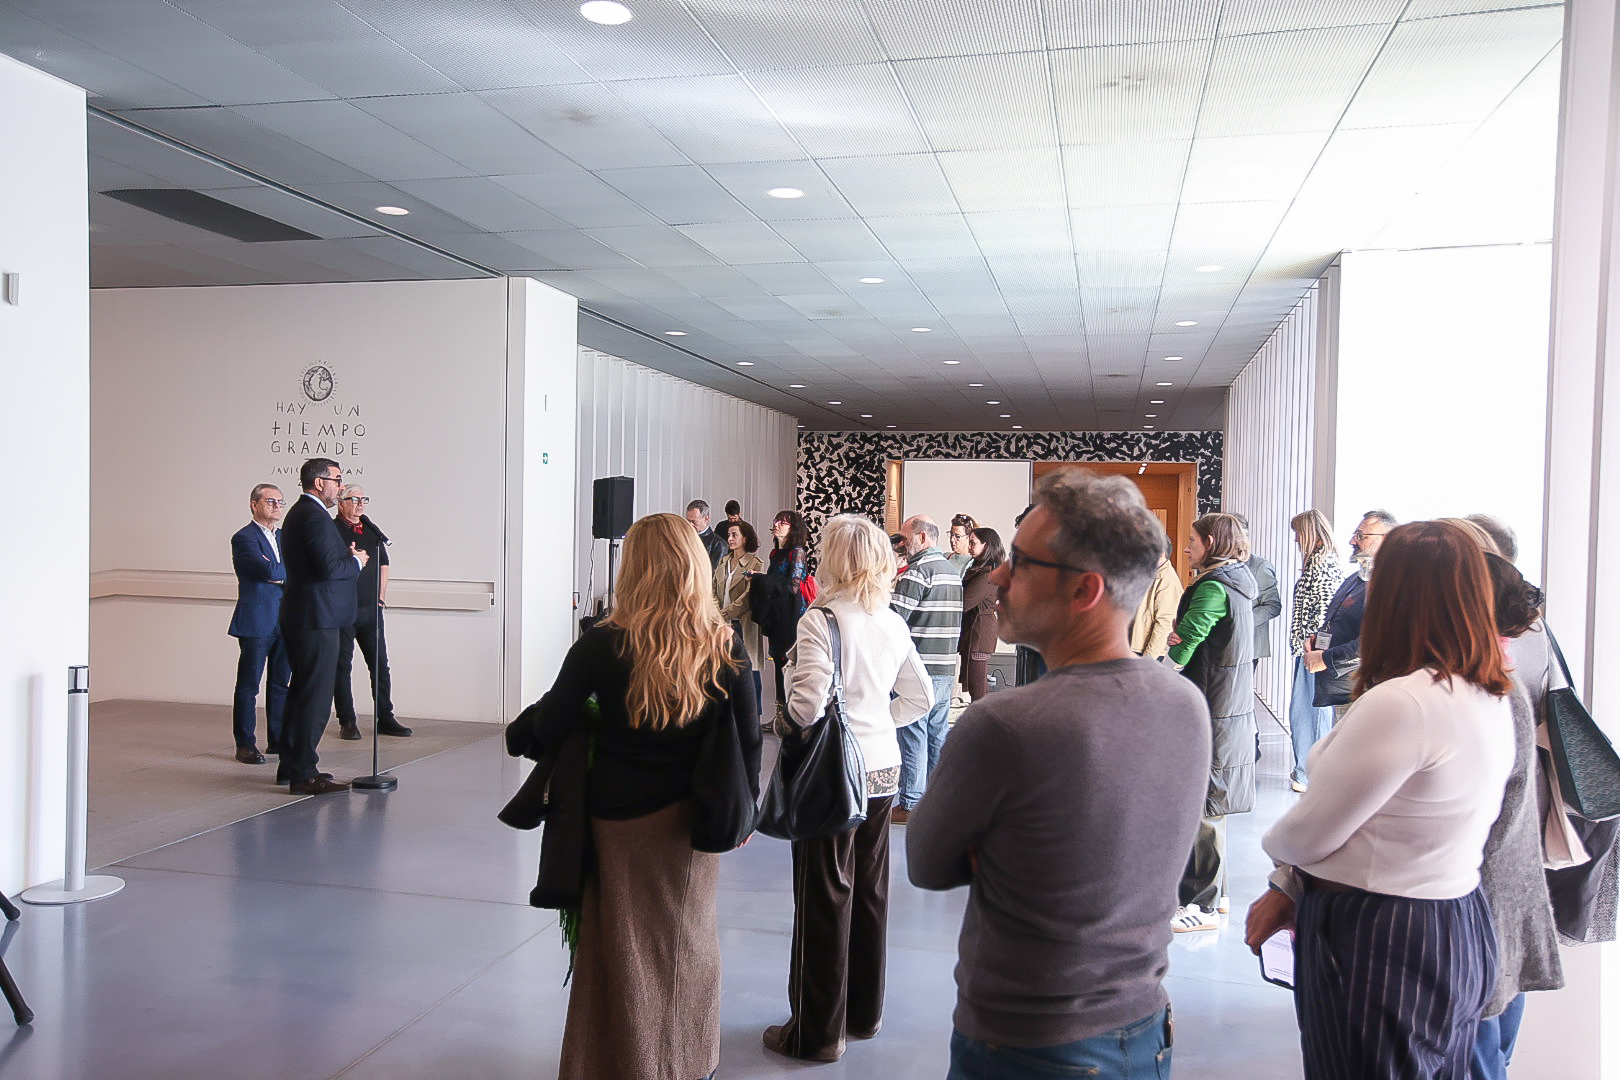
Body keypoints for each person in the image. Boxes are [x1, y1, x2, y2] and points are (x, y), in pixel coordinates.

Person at [908, 467, 1210, 1080]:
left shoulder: (1007, 726)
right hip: (1145, 1029)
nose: (997, 574)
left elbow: (927, 862)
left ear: (1085, 590)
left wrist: (1000, 850)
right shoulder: (1185, 705)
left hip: (1027, 1043)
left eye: (1020, 562)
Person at [1246, 521, 1516, 1080]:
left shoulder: (1404, 702)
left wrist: (1277, 851)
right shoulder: (1484, 690)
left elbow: (1308, 834)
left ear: (1395, 596)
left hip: (1381, 934)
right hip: (1455, 923)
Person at [513, 513, 761, 1080]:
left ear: (636, 568)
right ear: (695, 566)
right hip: (692, 826)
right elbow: (749, 740)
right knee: (689, 941)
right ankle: (684, 1060)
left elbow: (550, 725)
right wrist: (746, 816)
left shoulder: (603, 642)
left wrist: (524, 731)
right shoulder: (724, 643)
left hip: (615, 820)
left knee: (614, 947)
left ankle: (610, 1062)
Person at [764, 514, 933, 1063]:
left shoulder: (821, 619)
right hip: (882, 772)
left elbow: (808, 704)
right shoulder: (891, 620)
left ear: (835, 559)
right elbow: (921, 699)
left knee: (823, 898)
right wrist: (879, 716)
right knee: (871, 893)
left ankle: (816, 1033)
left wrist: (785, 722)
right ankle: (864, 1013)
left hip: (835, 774)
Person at [1471, 552, 1563, 1080]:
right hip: (1517, 852)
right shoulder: (1526, 648)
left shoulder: (1475, 682)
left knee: (1482, 1018)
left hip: (1484, 866)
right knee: (1502, 1000)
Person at [1166, 513, 1257, 932]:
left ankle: (1201, 905)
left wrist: (1162, 673)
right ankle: (1217, 895)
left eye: (1192, 541)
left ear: (1210, 542)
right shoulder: (1237, 583)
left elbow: (1190, 637)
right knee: (1211, 803)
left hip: (1212, 706)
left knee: (1204, 805)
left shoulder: (1215, 587)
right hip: (1223, 704)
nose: (1186, 548)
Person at [278, 458, 366, 795]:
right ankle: (303, 772)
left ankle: (292, 765)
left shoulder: (307, 515)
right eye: (336, 479)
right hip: (316, 617)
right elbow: (329, 568)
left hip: (311, 616)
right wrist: (356, 561)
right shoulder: (312, 516)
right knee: (313, 695)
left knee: (304, 692)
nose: (340, 487)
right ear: (318, 483)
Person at [889, 514, 963, 824]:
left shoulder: (916, 573)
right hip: (946, 666)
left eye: (906, 538)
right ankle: (938, 801)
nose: (902, 544)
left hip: (919, 668)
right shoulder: (952, 571)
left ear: (922, 538)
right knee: (937, 733)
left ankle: (910, 802)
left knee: (912, 734)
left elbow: (893, 621)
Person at [332, 485, 411, 740]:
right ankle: (347, 720)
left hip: (370, 610)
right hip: (343, 611)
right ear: (340, 502)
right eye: (354, 499)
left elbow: (384, 565)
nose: (360, 504)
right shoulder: (332, 531)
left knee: (379, 664)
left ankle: (385, 717)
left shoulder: (372, 531)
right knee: (342, 665)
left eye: (363, 499)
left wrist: (380, 600)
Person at [1305, 509, 1398, 721]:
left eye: (1361, 536)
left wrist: (1325, 658)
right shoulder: (1355, 580)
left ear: (1387, 540)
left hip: (1364, 691)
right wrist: (1315, 642)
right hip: (1344, 690)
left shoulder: (1389, 584)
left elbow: (1376, 640)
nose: (1352, 541)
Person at [227, 483, 290, 764]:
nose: (276, 506)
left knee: (280, 684)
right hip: (256, 621)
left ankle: (277, 739)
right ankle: (245, 744)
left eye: (280, 502)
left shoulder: (286, 538)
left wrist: (280, 573)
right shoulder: (244, 538)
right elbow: (264, 569)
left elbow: (291, 571)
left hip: (286, 620)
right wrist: (281, 572)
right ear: (254, 504)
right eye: (270, 501)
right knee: (249, 685)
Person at [1285, 510, 1343, 793]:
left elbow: (1325, 615)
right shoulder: (1317, 564)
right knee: (1304, 711)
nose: (1296, 539)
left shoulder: (1323, 565)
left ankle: (1309, 773)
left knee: (1309, 712)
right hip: (1308, 649)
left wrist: (1317, 654)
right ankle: (1307, 771)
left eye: (1298, 533)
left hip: (1313, 652)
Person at [714, 518, 765, 716]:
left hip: (741, 623)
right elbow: (712, 589)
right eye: (729, 534)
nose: (730, 538)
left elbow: (749, 596)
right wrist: (717, 612)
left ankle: (754, 714)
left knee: (749, 670)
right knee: (724, 669)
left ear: (745, 538)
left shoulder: (755, 563)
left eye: (734, 534)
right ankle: (729, 713)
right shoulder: (723, 562)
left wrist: (725, 612)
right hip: (722, 623)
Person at [766, 509, 810, 725]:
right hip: (776, 613)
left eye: (783, 523)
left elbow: (794, 586)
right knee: (776, 663)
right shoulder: (775, 553)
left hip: (792, 614)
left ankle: (790, 716)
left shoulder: (797, 552)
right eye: (776, 521)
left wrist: (764, 581)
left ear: (793, 529)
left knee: (789, 663)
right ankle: (779, 714)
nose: (777, 525)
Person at [957, 527, 1004, 702]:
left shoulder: (987, 574)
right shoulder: (980, 569)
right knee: (974, 684)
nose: (969, 547)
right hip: (975, 630)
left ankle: (984, 723)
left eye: (973, 543)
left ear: (986, 545)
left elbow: (965, 601)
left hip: (980, 632)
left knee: (977, 687)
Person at [1231, 513, 1283, 665]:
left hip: (1247, 646)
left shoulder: (1260, 566)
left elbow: (1273, 606)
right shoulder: (1217, 564)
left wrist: (1241, 622)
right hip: (1220, 645)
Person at [1128, 530, 1183, 659]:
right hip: (1135, 646)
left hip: (1145, 651)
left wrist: (1149, 658)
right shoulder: (1149, 573)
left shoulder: (1167, 580)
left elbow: (1164, 623)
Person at [686, 499, 726, 568]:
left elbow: (715, 574)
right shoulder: (683, 539)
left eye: (694, 521)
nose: (690, 524)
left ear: (706, 519)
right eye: (688, 521)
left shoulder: (719, 544)